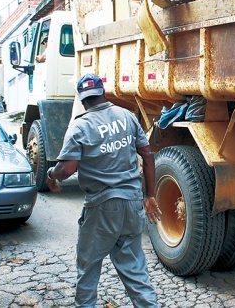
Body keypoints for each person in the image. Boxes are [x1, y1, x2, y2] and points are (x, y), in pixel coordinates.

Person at [47, 73, 162, 308]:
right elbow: (148, 155)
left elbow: (67, 169)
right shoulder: (127, 117)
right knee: (135, 270)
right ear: (103, 93)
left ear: (82, 99)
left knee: (88, 267)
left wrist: (51, 175)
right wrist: (149, 195)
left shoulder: (80, 126)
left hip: (102, 207)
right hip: (131, 204)